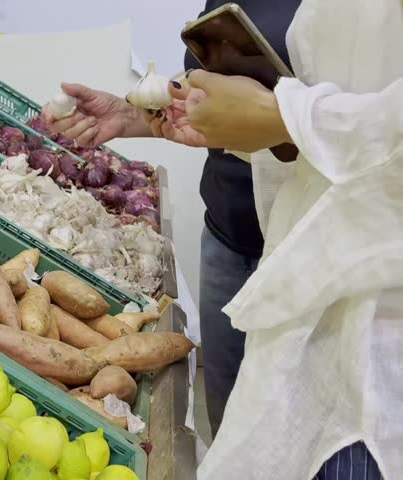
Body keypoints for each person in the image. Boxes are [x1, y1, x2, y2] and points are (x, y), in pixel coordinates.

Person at [144, 0, 403, 478]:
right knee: (250, 431)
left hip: (378, 331)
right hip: (298, 270)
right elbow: (318, 132)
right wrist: (270, 125)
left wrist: (285, 117)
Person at [44, 0, 301, 438]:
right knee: (228, 425)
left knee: (296, 436)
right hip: (228, 236)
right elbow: (211, 93)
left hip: (310, 257)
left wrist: (282, 120)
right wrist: (132, 113)